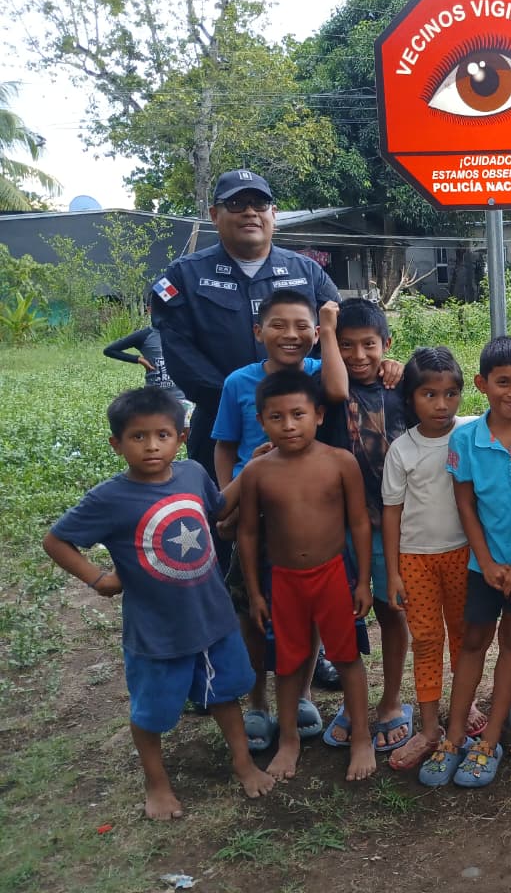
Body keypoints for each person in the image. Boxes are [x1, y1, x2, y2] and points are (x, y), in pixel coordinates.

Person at [42, 387, 275, 819]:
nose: (151, 446)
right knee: (151, 713)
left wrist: (253, 467)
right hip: (156, 633)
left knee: (225, 695)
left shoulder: (192, 474)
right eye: (138, 436)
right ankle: (157, 783)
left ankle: (243, 764)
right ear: (116, 444)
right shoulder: (109, 499)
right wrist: (97, 579)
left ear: (181, 438)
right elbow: (56, 540)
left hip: (213, 619)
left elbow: (218, 507)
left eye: (162, 435)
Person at [416, 337, 511, 788]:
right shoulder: (465, 438)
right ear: (482, 384)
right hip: (483, 567)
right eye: (503, 382)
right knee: (473, 643)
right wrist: (486, 561)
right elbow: (466, 505)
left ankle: (490, 740)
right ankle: (454, 736)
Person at [210, 290, 346, 751]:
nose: (291, 334)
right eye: (278, 325)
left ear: (316, 333)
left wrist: (339, 335)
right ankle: (258, 702)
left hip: (306, 513)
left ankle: (303, 694)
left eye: (302, 326)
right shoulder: (238, 382)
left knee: (307, 609)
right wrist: (228, 500)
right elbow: (225, 445)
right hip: (252, 511)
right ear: (258, 331)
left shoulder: (320, 372)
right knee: (252, 609)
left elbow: (344, 387)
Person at [149, 169, 339, 480]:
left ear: (273, 213)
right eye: (236, 204)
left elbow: (339, 338)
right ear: (214, 215)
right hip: (219, 428)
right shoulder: (185, 276)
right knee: (224, 505)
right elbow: (180, 352)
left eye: (259, 204)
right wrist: (239, 402)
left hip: (304, 424)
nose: (250, 212)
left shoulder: (308, 273)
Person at [237, 369, 375, 782]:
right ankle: (289, 740)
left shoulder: (340, 462)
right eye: (276, 417)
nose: (288, 425)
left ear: (318, 414)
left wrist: (363, 581)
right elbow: (247, 533)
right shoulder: (257, 472)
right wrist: (255, 592)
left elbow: (359, 524)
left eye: (298, 414)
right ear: (261, 421)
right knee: (287, 663)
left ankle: (361, 736)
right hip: (283, 581)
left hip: (333, 575)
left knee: (347, 657)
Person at [380, 347, 487, 773]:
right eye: (430, 394)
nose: (442, 404)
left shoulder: (471, 431)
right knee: (426, 640)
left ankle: (466, 705)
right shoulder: (401, 450)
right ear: (411, 398)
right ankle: (428, 728)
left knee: (464, 634)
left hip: (463, 555)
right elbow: (391, 512)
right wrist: (392, 572)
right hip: (416, 561)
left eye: (451, 393)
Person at [315, 298, 413, 756]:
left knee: (392, 610)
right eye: (346, 345)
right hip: (336, 526)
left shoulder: (401, 387)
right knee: (342, 615)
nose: (358, 355)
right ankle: (353, 704)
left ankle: (391, 701)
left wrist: (398, 368)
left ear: (386, 344)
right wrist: (325, 327)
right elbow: (336, 390)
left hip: (389, 526)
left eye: (369, 345)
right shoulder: (324, 388)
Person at [102, 319, 187, 402]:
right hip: (153, 399)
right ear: (150, 311)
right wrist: (139, 359)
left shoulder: (183, 333)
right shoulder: (145, 335)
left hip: (182, 398)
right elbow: (110, 350)